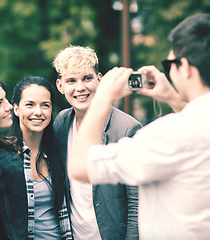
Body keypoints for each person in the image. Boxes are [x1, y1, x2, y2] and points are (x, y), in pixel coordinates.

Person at [68, 14, 210, 239]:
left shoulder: (165, 135)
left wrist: (103, 98)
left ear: (185, 67)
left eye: (169, 64)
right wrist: (174, 99)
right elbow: (206, 124)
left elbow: (80, 166)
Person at [0, 73, 72, 239]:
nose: (38, 112)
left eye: (45, 105)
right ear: (17, 108)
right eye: (30, 105)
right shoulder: (6, 161)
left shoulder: (59, 153)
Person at [52, 45, 142, 240]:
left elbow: (137, 203)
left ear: (99, 79)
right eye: (71, 81)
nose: (80, 87)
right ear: (60, 86)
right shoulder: (60, 123)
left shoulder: (127, 128)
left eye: (87, 78)